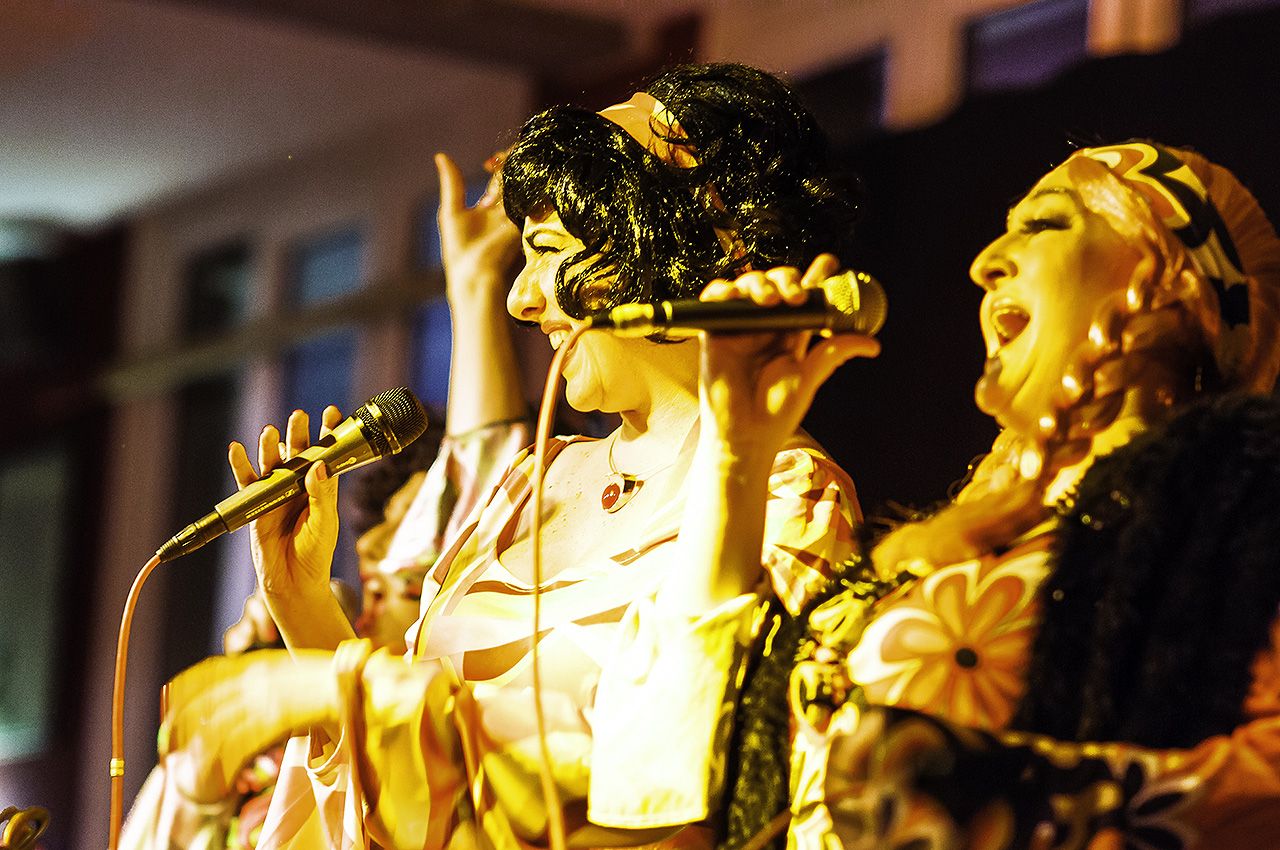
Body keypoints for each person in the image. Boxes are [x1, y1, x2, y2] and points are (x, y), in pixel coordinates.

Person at [159, 63, 875, 850]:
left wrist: (339, 692)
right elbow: (403, 810)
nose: (521, 298)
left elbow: (673, 774)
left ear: (684, 246)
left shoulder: (786, 496)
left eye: (547, 250)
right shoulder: (533, 481)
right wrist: (304, 609)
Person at [694, 142, 1280, 849]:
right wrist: (738, 444)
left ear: (1172, 281)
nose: (985, 262)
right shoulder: (964, 532)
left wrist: (1023, 804)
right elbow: (697, 769)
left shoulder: (1242, 502)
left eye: (1046, 224)